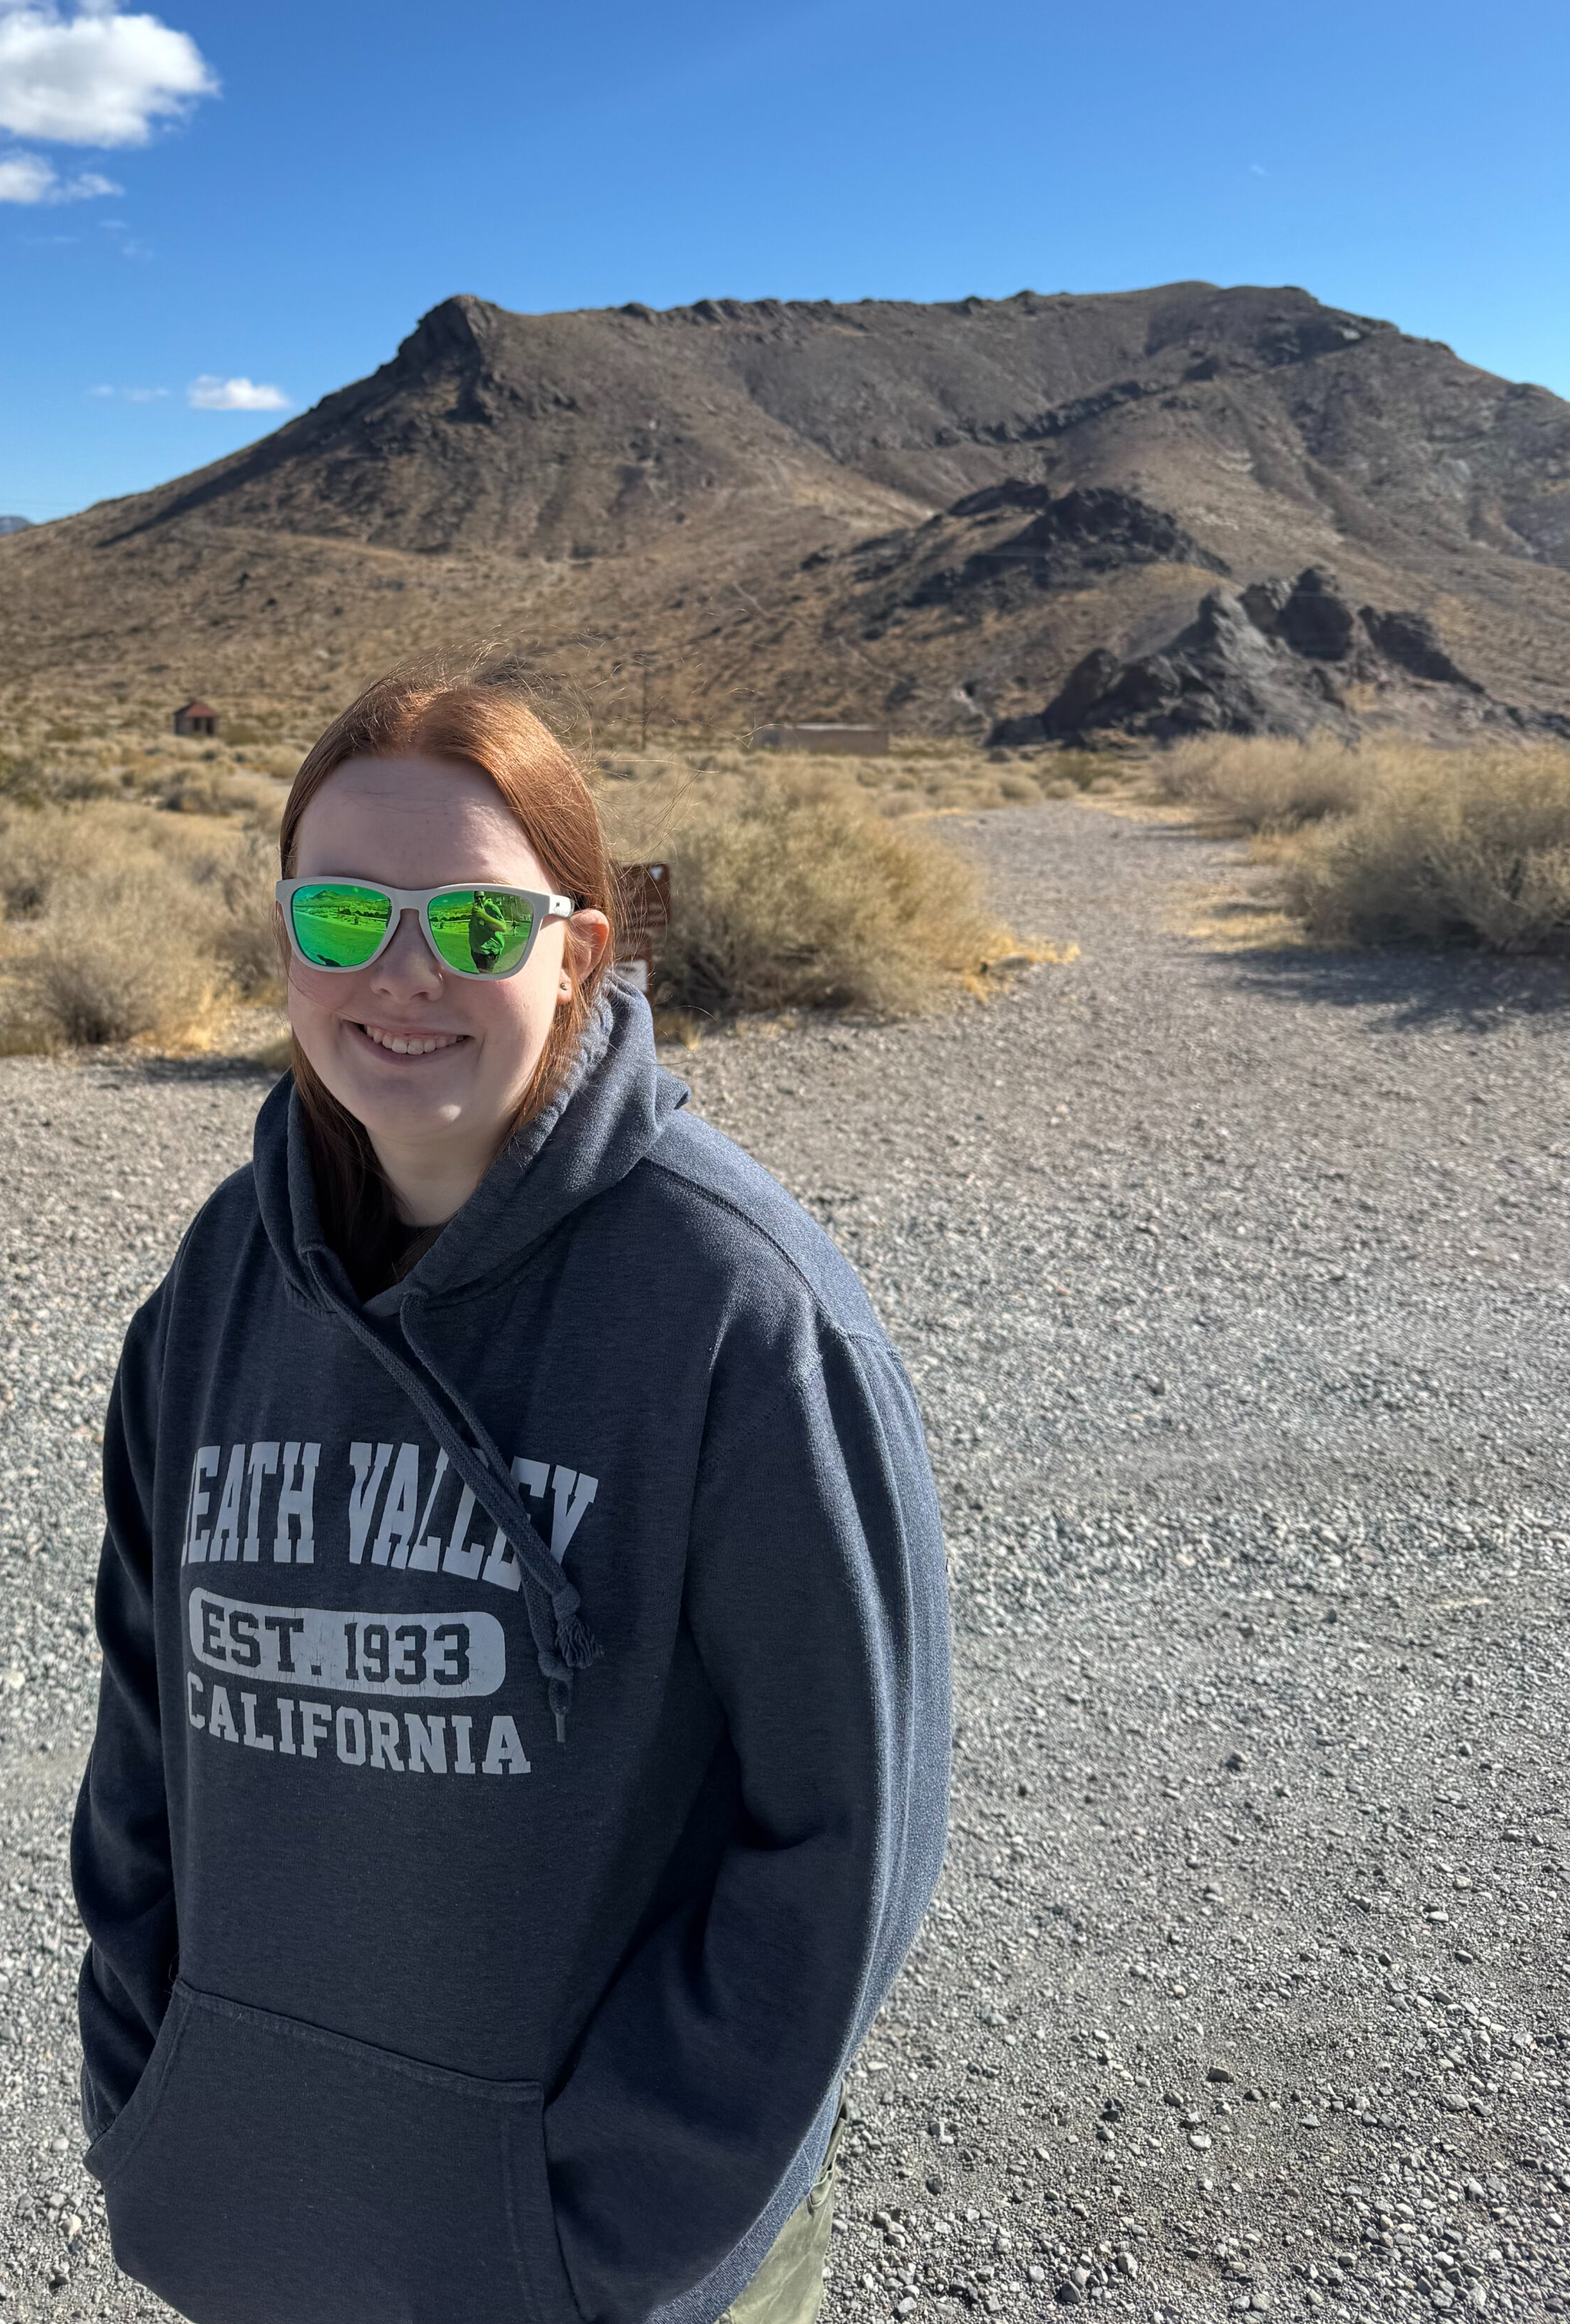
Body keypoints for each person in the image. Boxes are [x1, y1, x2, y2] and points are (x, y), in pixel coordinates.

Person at [70, 672, 952, 2324]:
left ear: (582, 950)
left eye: (476, 925)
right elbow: (141, 1723)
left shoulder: (737, 1313)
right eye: (342, 913)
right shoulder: (220, 1284)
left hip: (604, 2272)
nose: (401, 973)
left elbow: (846, 1835)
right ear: (284, 946)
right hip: (263, 2224)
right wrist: (158, 2092)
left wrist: (604, 2218)